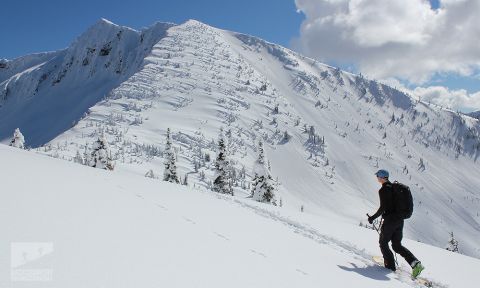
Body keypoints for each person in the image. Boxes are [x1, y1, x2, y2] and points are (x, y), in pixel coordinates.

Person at [368, 169, 424, 278]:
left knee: (383, 243)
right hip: (399, 220)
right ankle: (416, 264)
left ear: (383, 177)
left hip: (390, 221)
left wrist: (373, 218)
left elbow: (383, 207)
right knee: (397, 245)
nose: (377, 177)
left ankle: (390, 267)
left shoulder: (384, 190)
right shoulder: (395, 188)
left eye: (378, 175)